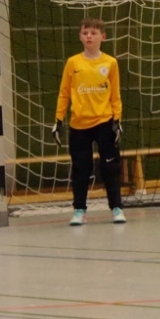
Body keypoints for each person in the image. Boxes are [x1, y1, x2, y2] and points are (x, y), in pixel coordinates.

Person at [52, 17, 126, 226]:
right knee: (81, 169)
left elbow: (115, 95)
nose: (89, 36)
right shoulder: (73, 63)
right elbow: (64, 93)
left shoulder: (110, 63)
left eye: (93, 33)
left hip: (105, 121)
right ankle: (79, 210)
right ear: (80, 37)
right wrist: (58, 119)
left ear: (103, 36)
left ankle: (117, 208)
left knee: (110, 167)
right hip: (79, 124)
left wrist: (117, 119)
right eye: (85, 33)